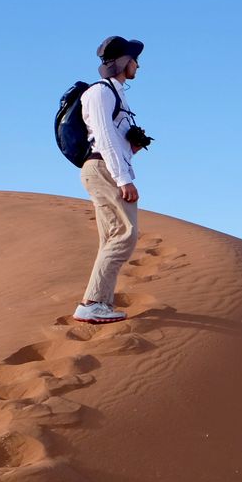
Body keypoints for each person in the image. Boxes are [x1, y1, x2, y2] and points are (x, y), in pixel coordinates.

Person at [74, 36, 146, 323]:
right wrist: (123, 178)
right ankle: (91, 303)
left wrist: (132, 145)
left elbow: (112, 138)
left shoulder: (114, 93)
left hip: (105, 167)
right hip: (104, 169)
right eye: (134, 60)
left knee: (111, 238)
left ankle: (100, 302)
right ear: (124, 62)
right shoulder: (101, 92)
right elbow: (104, 138)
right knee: (125, 235)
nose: (138, 65)